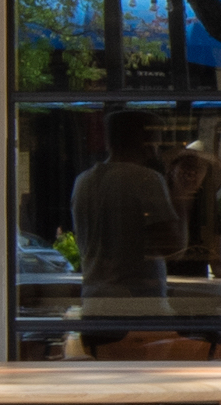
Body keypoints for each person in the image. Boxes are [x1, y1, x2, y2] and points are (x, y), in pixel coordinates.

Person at [61, 108, 181, 304]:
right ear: (147, 141)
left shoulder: (83, 181)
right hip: (138, 303)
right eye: (157, 141)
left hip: (93, 299)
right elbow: (172, 247)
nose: (159, 148)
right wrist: (182, 196)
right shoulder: (146, 179)